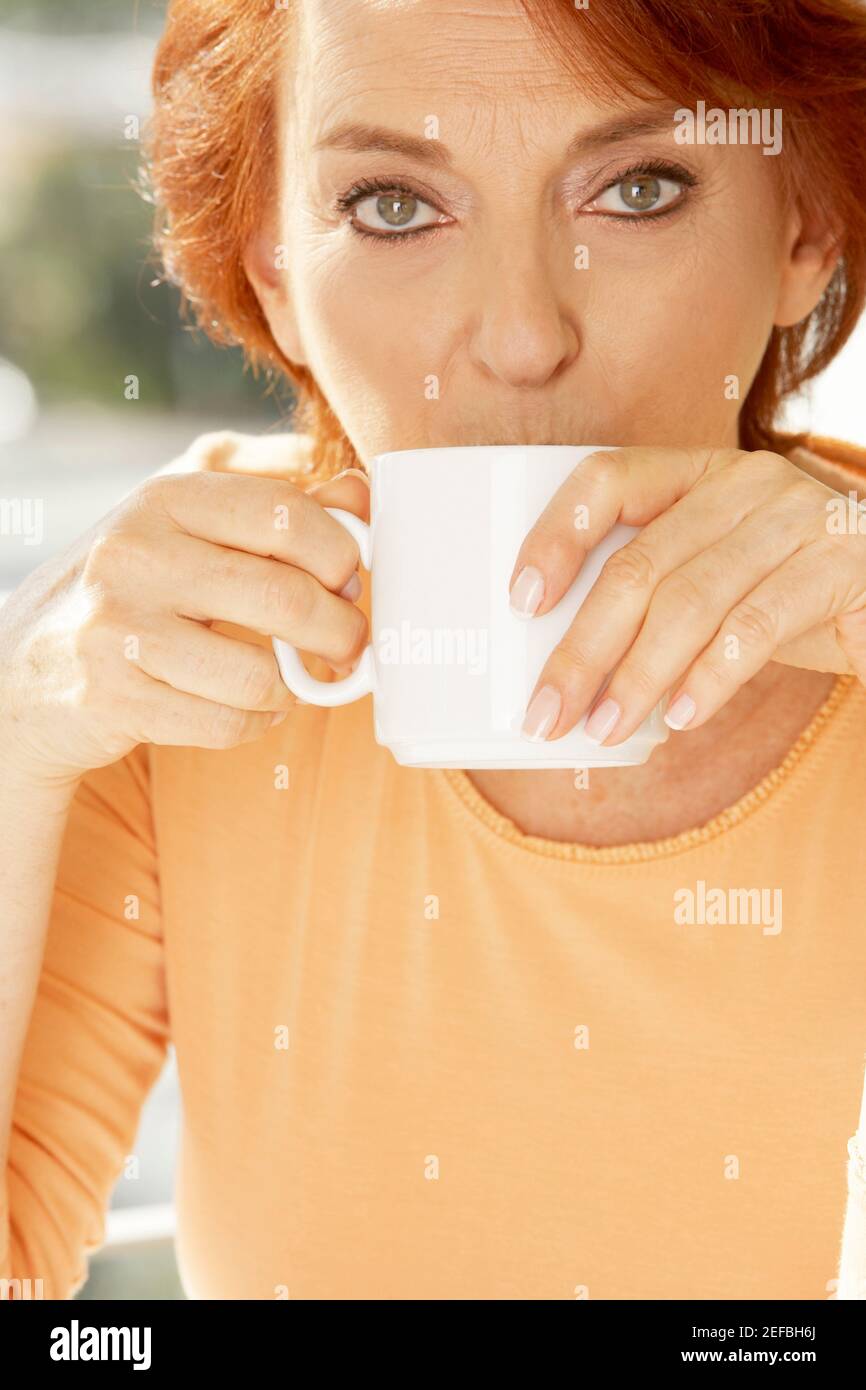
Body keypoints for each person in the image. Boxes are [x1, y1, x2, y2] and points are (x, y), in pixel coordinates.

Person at [2, 0, 866, 1299]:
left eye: (636, 188)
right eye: (393, 206)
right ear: (275, 268)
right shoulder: (179, 659)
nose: (522, 335)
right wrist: (19, 737)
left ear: (806, 226)